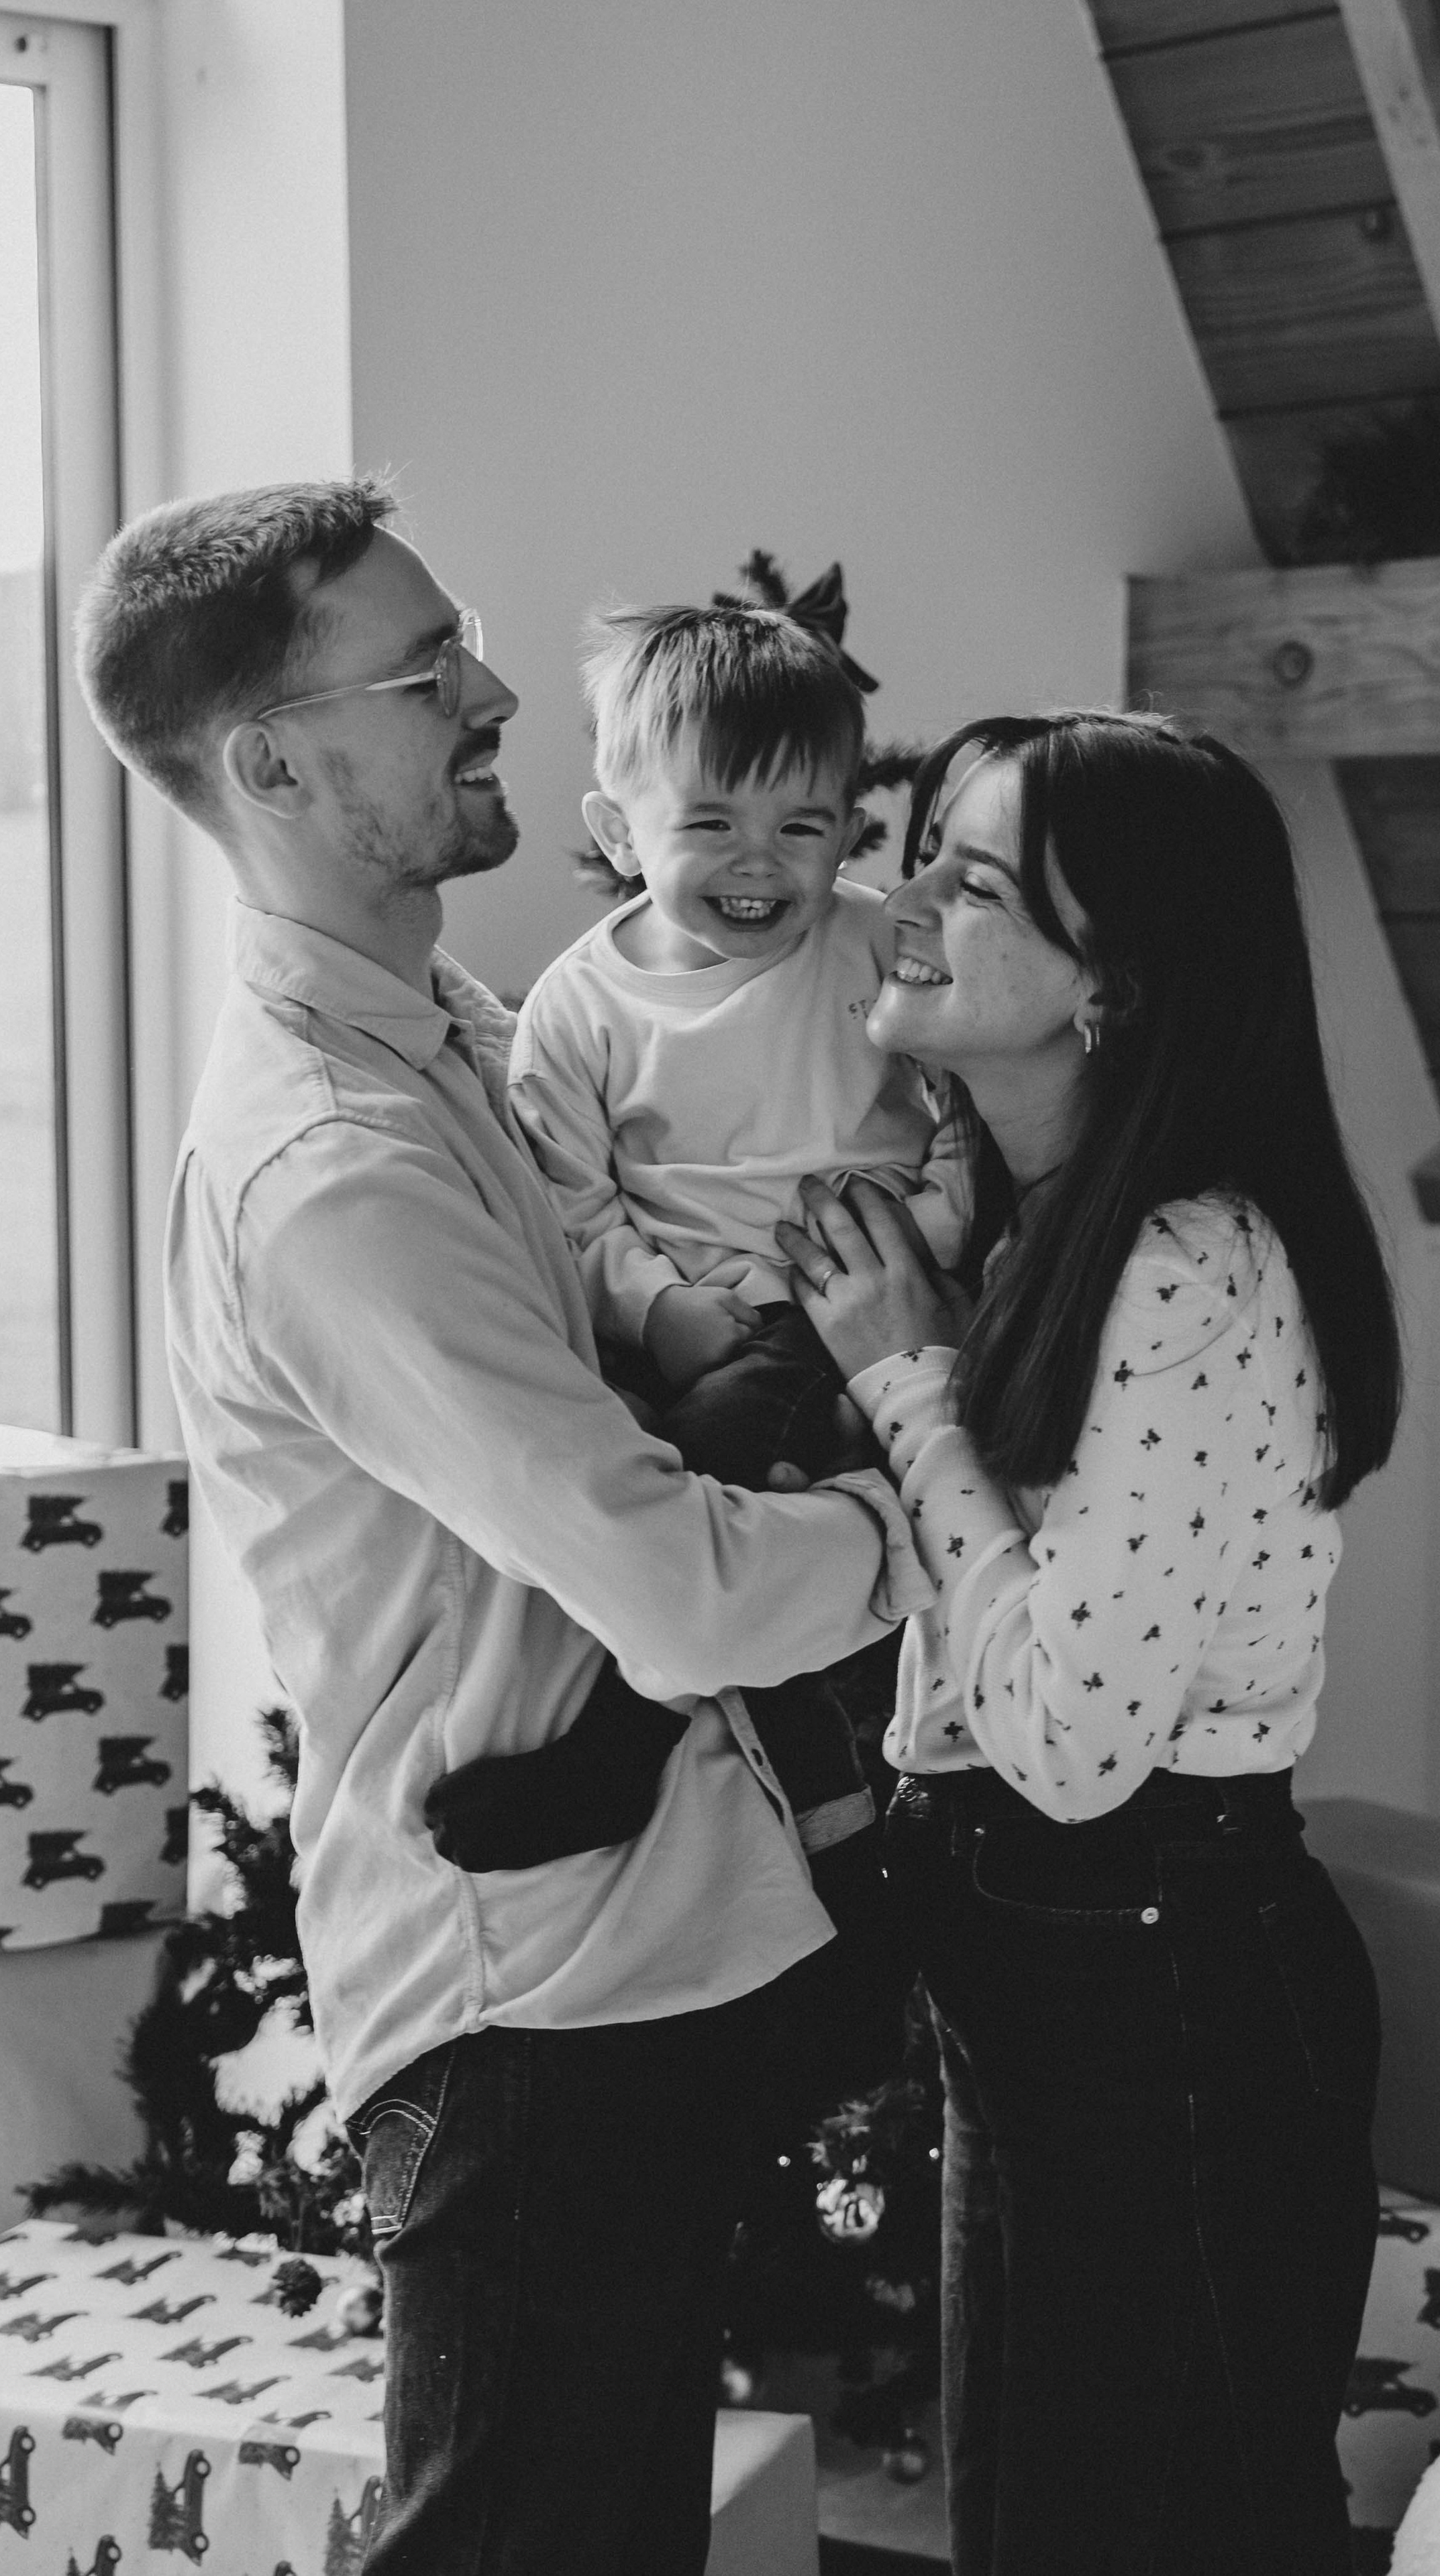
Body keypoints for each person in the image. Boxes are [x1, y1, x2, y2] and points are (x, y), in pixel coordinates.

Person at [73, 476, 931, 2576]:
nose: (493, 695)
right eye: (424, 671)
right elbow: (676, 1591)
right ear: (275, 767)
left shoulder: (472, 1033)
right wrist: (947, 1522)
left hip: (637, 1950)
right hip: (523, 2008)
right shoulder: (334, 1169)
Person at [776, 710, 1402, 2576]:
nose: (901, 902)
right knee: (1032, 2523)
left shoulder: (1186, 1262)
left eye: (973, 883)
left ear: (1112, 987)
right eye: (921, 854)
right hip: (1052, 1977)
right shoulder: (1030, 1220)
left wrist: (907, 1383)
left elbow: (1065, 1739)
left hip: (1168, 1988)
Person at [488, 598, 967, 1931]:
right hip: (689, 1327)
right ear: (616, 832)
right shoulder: (578, 1008)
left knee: (719, 1474)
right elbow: (568, 1210)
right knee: (623, 1487)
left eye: (801, 828)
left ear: (847, 830)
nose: (760, 864)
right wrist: (661, 1309)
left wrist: (917, 1243)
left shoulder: (875, 950)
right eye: (710, 824)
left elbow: (966, 1121)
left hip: (854, 1305)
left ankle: (620, 1748)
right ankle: (826, 1814)